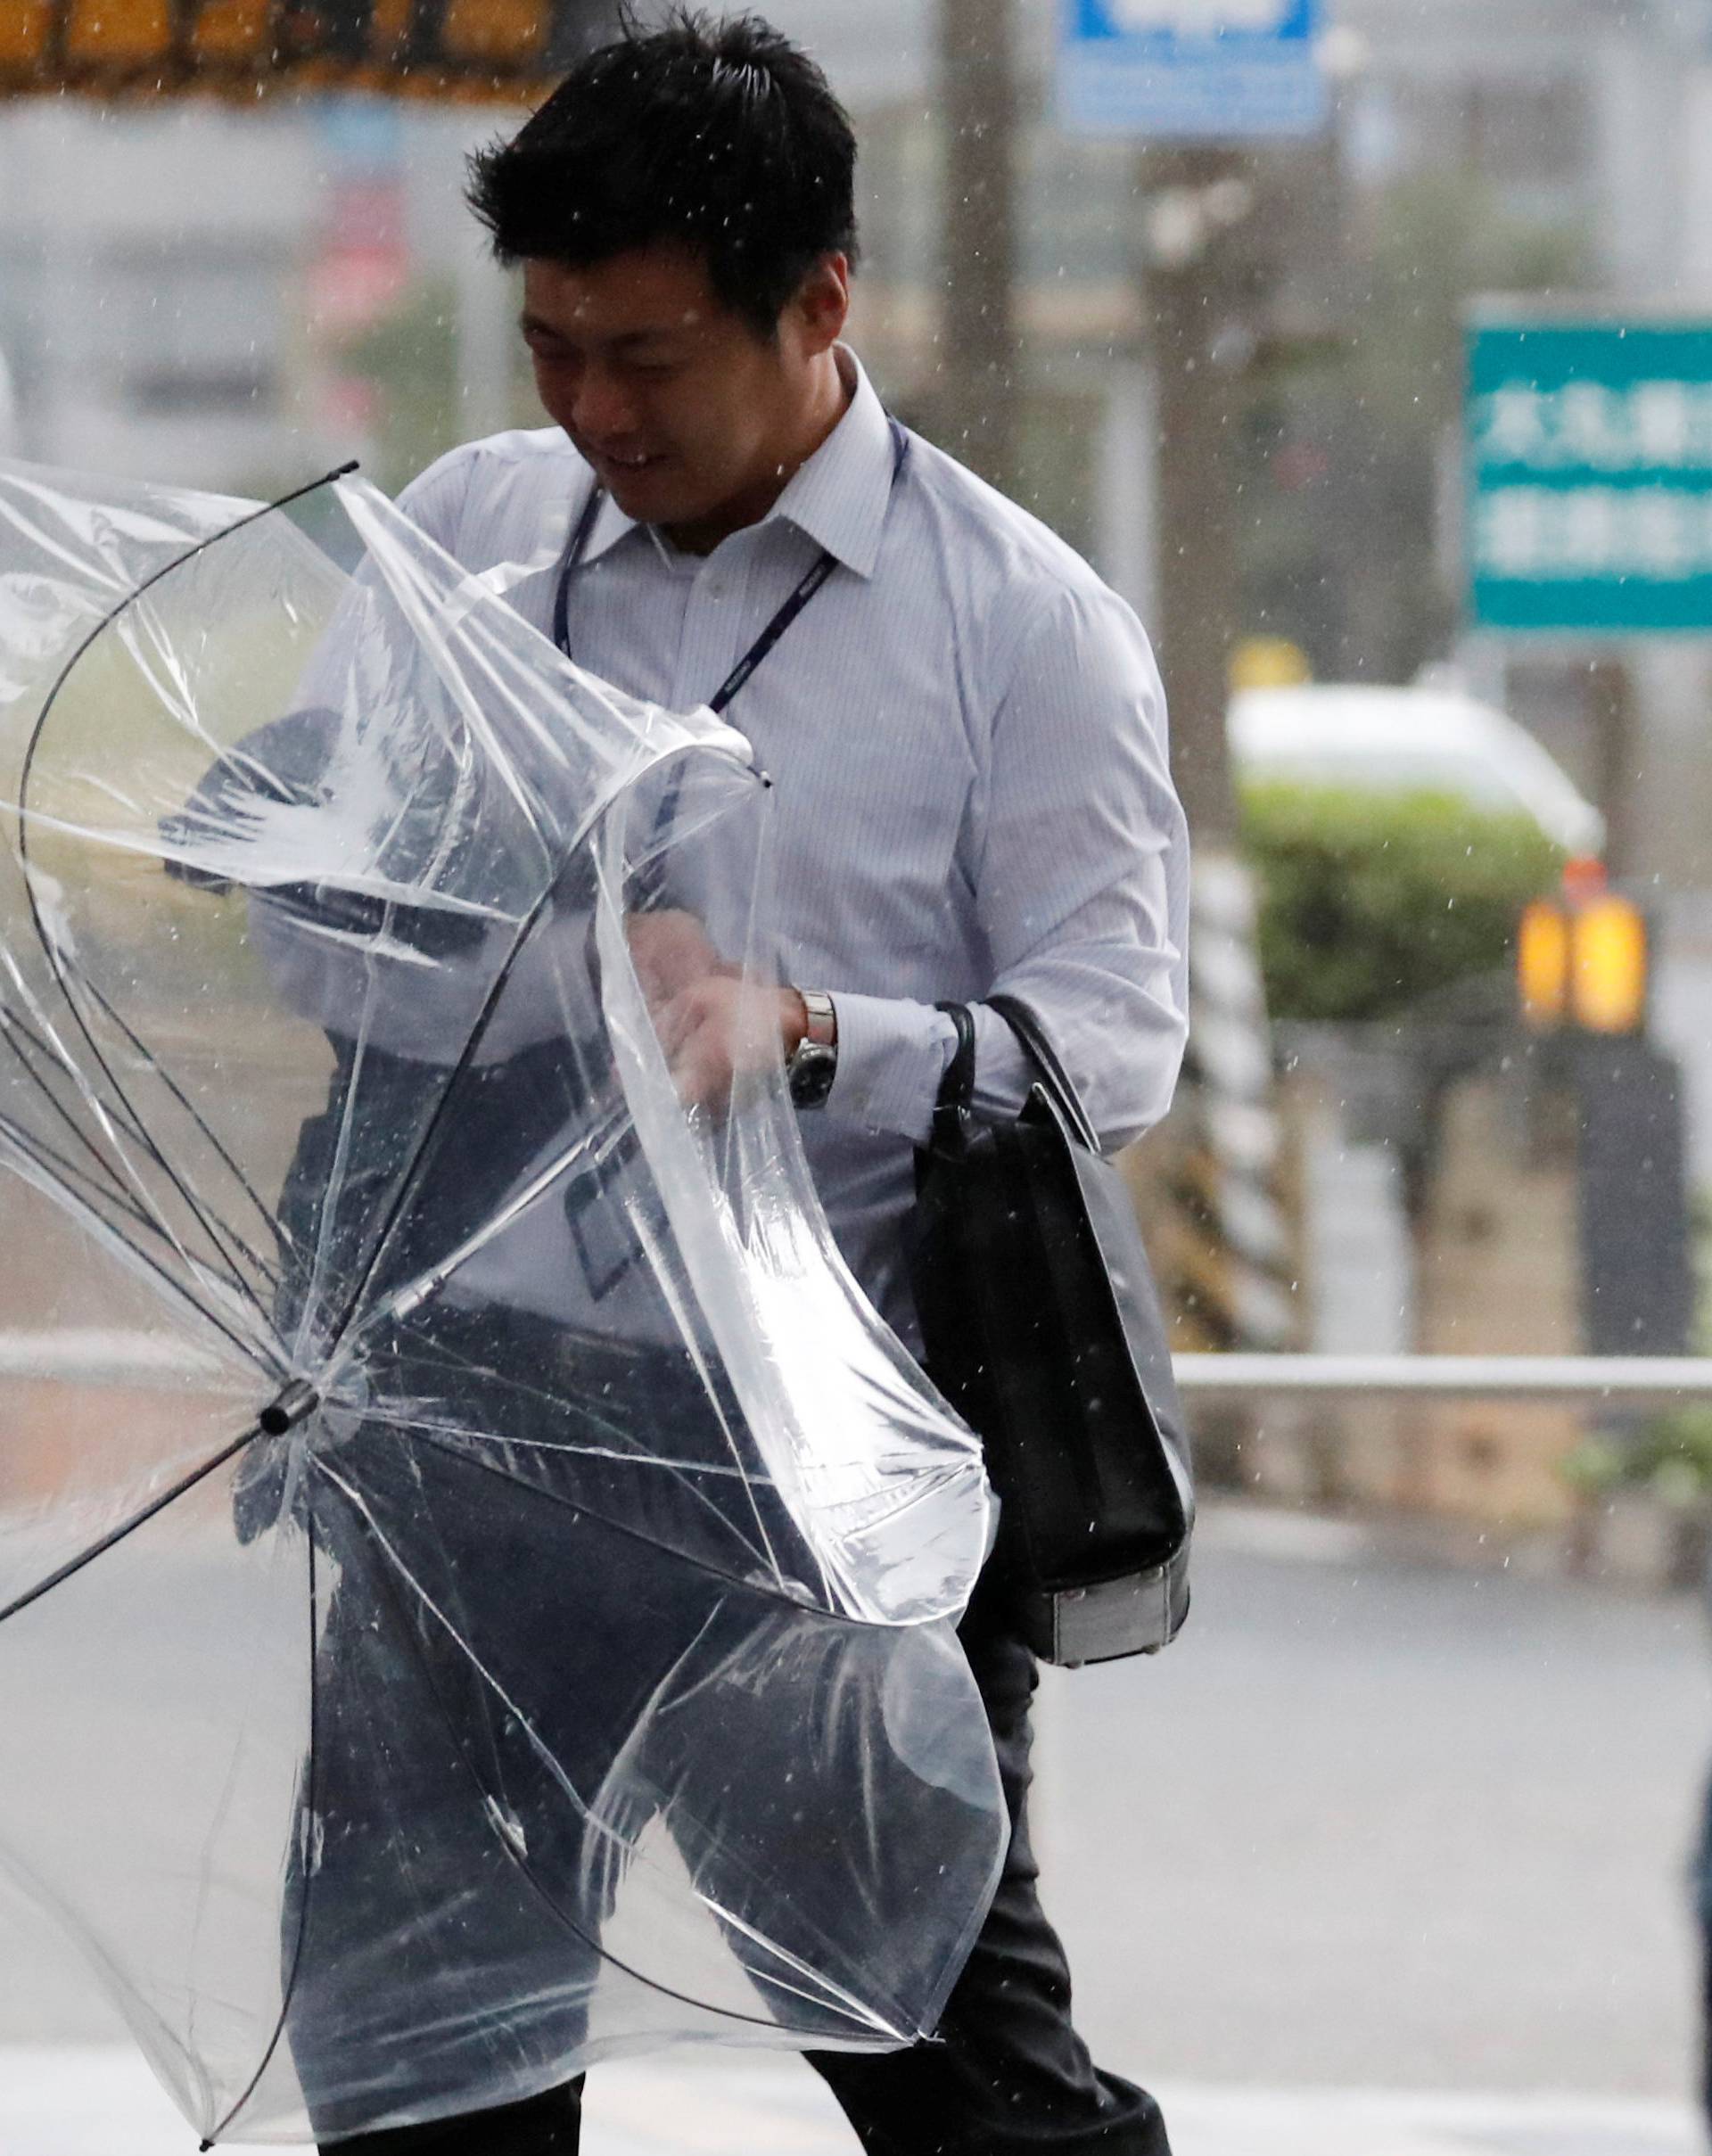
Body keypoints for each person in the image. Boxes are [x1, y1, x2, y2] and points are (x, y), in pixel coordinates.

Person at [329, 10, 1190, 2152]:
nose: (592, 410)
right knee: (431, 2064)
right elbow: (313, 920)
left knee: (954, 2069)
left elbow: (1120, 1034)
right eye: (553, 348)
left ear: (821, 303)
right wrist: (541, 970)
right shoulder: (467, 537)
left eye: (650, 356)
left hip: (840, 1472)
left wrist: (803, 1036)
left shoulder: (1023, 630)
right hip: (482, 1438)